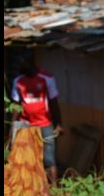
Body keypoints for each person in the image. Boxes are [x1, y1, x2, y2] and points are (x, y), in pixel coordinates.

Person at [11, 54, 64, 186]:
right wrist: (13, 127)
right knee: (26, 159)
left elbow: (54, 103)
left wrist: (59, 125)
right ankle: (31, 188)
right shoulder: (18, 81)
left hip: (45, 124)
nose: (21, 66)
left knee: (49, 159)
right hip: (26, 126)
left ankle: (53, 189)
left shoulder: (47, 78)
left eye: (23, 63)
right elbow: (16, 107)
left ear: (31, 63)